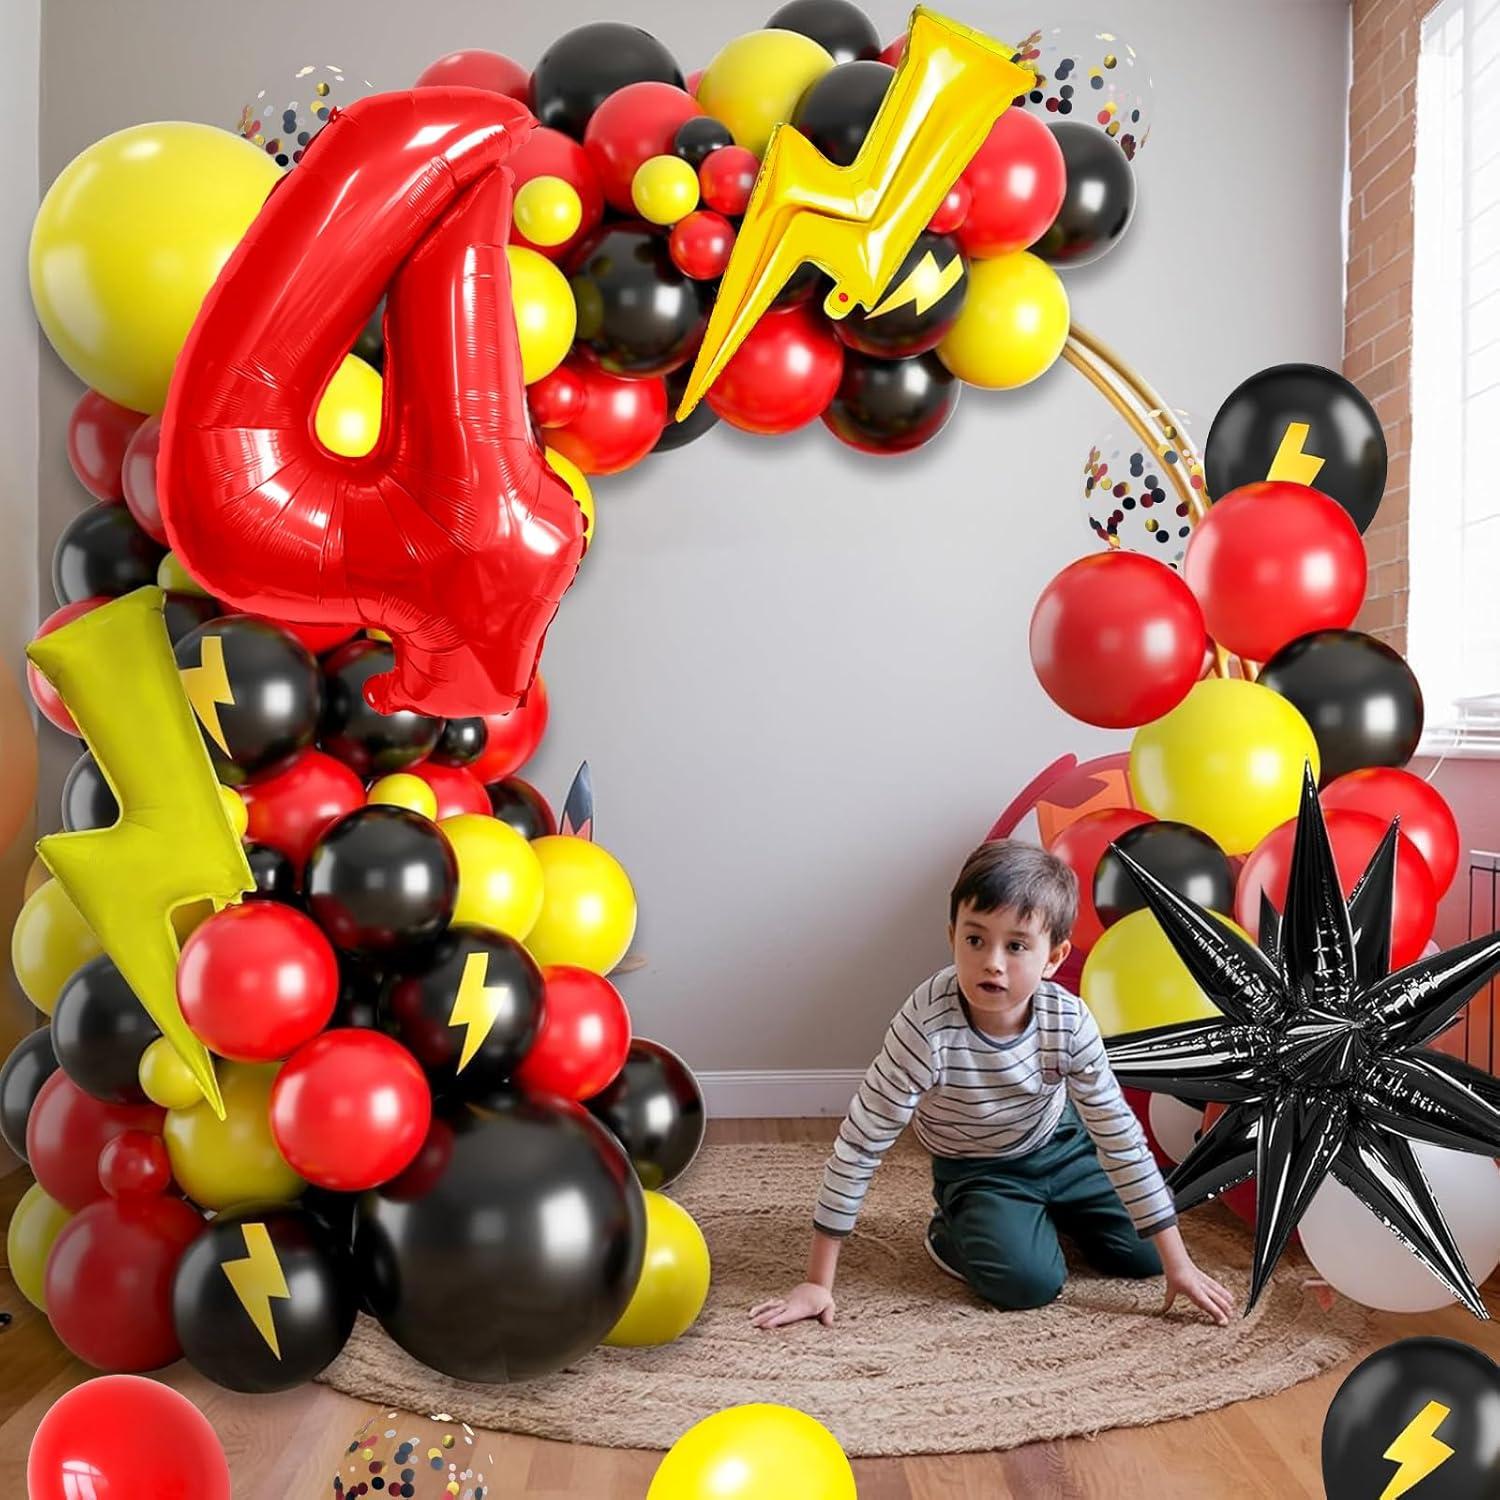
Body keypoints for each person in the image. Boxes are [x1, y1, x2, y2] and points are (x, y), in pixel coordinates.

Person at [751, 839, 1234, 1330]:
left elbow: (1120, 1139)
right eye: (975, 940)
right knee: (1029, 1284)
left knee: (1145, 1256)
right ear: (952, 937)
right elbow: (860, 1144)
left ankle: (1048, 1214)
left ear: (1053, 957)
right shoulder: (926, 1027)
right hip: (978, 1165)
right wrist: (818, 1281)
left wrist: (1179, 1265)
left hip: (1061, 1142)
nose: (993, 962)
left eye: (1017, 946)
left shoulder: (1067, 1021)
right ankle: (953, 1230)